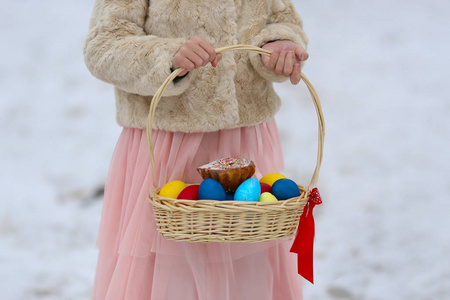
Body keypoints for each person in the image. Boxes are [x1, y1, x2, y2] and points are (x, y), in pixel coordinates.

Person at [84, 0, 309, 299]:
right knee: (170, 273)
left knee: (246, 265)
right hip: (168, 147)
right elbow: (103, 45)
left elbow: (281, 18)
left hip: (245, 147)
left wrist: (279, 44)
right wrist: (168, 56)